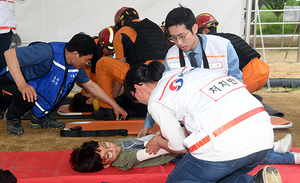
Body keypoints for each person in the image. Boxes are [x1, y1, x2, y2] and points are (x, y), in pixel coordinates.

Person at [124, 60, 282, 182]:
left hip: (225, 142)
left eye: (135, 99)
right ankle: (256, 181)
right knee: (216, 176)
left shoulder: (156, 99)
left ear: (139, 88)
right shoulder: (185, 72)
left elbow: (179, 146)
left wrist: (158, 142)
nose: (139, 102)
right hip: (263, 135)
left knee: (179, 180)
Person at [137, 5, 243, 137]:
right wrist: (148, 123)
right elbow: (162, 92)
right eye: (173, 38)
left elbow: (237, 82)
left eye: (182, 36)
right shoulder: (171, 55)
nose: (179, 43)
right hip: (192, 116)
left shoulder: (223, 47)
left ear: (194, 28)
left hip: (222, 109)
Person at [0, 33, 127, 135]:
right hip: (7, 83)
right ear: (75, 54)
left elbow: (92, 87)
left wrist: (114, 104)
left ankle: (39, 117)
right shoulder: (47, 51)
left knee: (66, 83)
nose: (87, 63)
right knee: (25, 93)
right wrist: (22, 84)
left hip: (25, 85)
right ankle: (12, 117)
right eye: (86, 59)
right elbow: (9, 54)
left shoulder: (74, 67)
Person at [91, 6, 169, 120]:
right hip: (164, 75)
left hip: (145, 74)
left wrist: (114, 96)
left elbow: (120, 66)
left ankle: (106, 109)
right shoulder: (158, 28)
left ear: (122, 22)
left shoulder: (123, 32)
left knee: (102, 63)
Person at [196, 13, 270, 93]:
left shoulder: (212, 43)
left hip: (249, 78)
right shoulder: (229, 36)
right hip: (263, 71)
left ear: (205, 30)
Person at [69, 133, 178, 172]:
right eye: (108, 155)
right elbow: (152, 152)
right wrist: (173, 144)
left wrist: (159, 136)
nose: (111, 148)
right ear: (106, 165)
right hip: (172, 153)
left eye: (106, 145)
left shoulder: (116, 143)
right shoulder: (123, 160)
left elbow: (141, 142)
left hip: (160, 142)